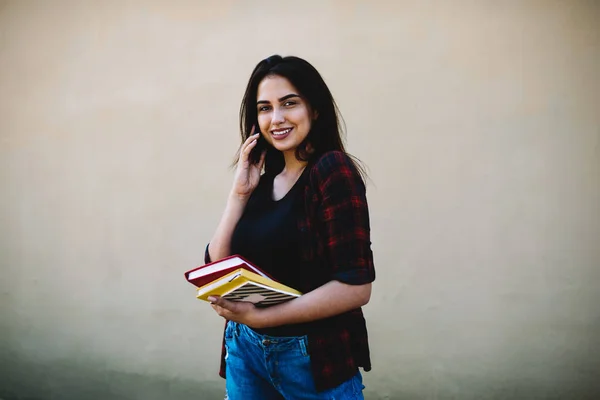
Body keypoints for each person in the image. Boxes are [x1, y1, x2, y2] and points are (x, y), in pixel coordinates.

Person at [204, 55, 376, 400]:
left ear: (315, 109)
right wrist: (238, 195)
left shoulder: (332, 171)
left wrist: (263, 319)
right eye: (264, 108)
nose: (276, 118)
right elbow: (215, 269)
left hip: (311, 360)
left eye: (289, 103)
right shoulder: (263, 181)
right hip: (245, 350)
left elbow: (356, 288)